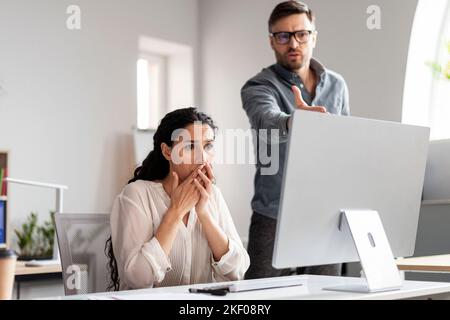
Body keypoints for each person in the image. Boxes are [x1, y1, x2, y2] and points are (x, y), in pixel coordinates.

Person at [242, 1, 350, 279]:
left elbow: (345, 144)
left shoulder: (337, 85)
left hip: (326, 214)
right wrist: (295, 120)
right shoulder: (258, 86)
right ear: (272, 41)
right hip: (273, 213)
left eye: (301, 34)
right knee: (259, 296)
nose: (293, 43)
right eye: (283, 36)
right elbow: (265, 118)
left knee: (326, 295)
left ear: (313, 36)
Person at [106, 107, 250, 290]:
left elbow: (237, 271)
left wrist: (204, 214)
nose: (202, 158)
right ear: (167, 152)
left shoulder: (213, 195)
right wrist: (175, 212)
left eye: (207, 146)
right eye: (190, 146)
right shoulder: (136, 195)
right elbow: (137, 280)